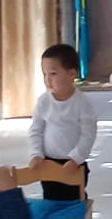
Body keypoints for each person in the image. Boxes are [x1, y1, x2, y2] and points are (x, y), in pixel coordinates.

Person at [29, 43, 98, 201]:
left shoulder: (82, 103)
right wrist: (36, 153)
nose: (48, 79)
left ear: (71, 74)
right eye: (45, 74)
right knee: (51, 200)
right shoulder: (43, 101)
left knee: (73, 200)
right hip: (48, 162)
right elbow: (36, 130)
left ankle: (78, 211)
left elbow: (88, 134)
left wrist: (76, 158)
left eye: (53, 73)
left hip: (73, 163)